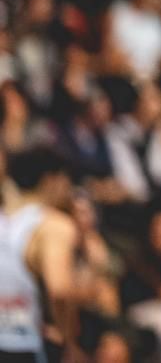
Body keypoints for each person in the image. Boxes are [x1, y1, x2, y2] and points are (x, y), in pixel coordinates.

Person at [0, 147, 82, 363]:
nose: (69, 190)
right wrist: (68, 339)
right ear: (51, 180)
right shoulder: (53, 225)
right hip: (23, 345)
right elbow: (60, 291)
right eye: (67, 182)